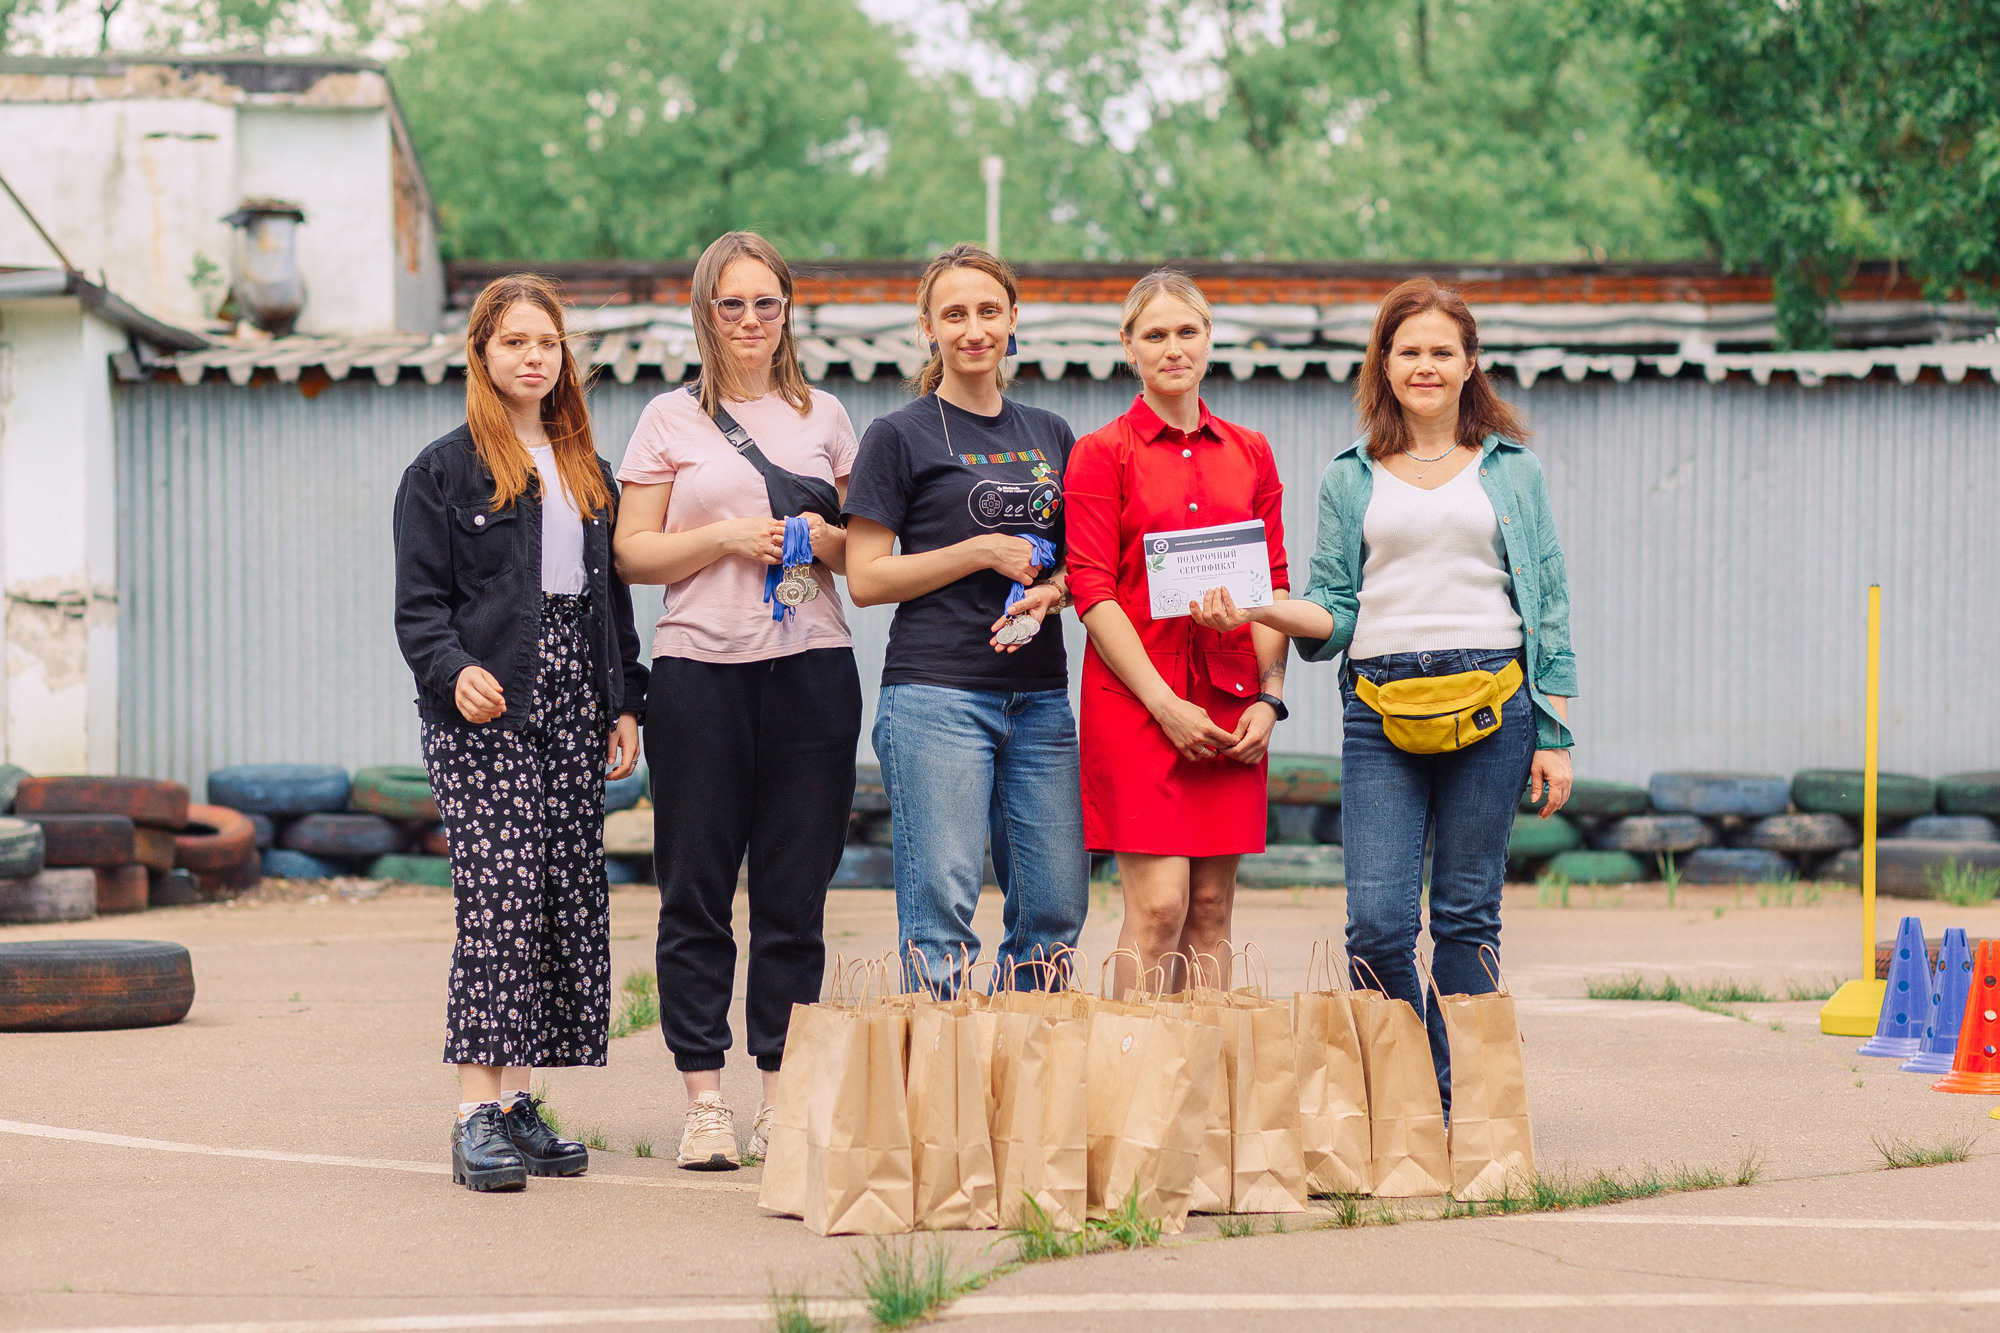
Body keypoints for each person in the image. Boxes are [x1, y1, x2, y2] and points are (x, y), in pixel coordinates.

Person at [1192, 276, 1575, 1107]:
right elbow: (1331, 608)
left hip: (1494, 703)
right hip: (1380, 706)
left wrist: (1555, 731)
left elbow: (1547, 596)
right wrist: (1256, 607)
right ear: (1386, 363)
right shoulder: (1348, 477)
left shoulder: (1514, 472)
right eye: (1410, 351)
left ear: (1472, 362)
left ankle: (1471, 1113)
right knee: (1377, 925)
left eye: (1443, 350)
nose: (1426, 365)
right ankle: (1424, 1090)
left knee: (1468, 916)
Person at [612, 232, 862, 1171]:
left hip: (811, 667)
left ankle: (780, 1099)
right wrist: (723, 538)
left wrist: (814, 534)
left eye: (766, 303)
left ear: (789, 309)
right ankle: (704, 1099)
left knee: (795, 896)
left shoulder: (828, 416)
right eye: (732, 304)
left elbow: (861, 554)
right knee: (698, 890)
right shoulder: (668, 419)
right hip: (699, 673)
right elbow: (631, 554)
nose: (751, 321)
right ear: (703, 313)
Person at [393, 273, 647, 1193]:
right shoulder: (441, 472)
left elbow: (610, 602)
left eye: (547, 343)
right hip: (489, 705)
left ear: (562, 357)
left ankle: (517, 1102)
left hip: (578, 700)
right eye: (514, 343)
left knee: (554, 897)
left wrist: (627, 702)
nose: (533, 357)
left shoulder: (589, 470)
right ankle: (472, 1112)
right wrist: (451, 669)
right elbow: (418, 608)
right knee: (497, 902)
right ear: (482, 354)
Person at [844, 243, 1087, 995]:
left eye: (989, 311)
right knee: (942, 913)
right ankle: (942, 1104)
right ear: (928, 326)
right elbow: (865, 577)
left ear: (1014, 319)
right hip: (936, 697)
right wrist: (978, 549)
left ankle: (1021, 1093)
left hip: (1041, 698)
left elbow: (1081, 568)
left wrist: (1057, 591)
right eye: (955, 314)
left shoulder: (1051, 431)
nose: (974, 328)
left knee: (1053, 909)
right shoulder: (899, 434)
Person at [1066, 271, 1291, 994]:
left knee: (1211, 908)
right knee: (1159, 907)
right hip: (1138, 705)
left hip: (1230, 703)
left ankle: (1199, 1099)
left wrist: (1270, 698)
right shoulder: (1102, 453)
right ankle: (1131, 1096)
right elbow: (1092, 591)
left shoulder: (1251, 451)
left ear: (1209, 340)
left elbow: (1273, 586)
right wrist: (1164, 703)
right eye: (1155, 334)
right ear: (1127, 345)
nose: (1173, 347)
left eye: (1186, 331)